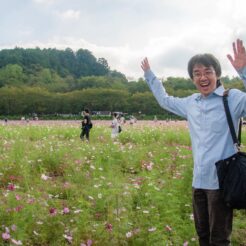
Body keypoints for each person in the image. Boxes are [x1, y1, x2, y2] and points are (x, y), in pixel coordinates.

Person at [141, 39, 246, 245]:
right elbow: (165, 100)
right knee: (203, 236)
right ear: (192, 79)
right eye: (197, 73)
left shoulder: (231, 98)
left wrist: (243, 71)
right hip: (198, 181)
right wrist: (150, 76)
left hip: (221, 182)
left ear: (217, 74)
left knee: (219, 239)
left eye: (207, 71)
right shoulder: (191, 103)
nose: (202, 77)